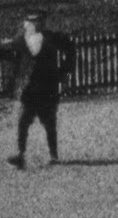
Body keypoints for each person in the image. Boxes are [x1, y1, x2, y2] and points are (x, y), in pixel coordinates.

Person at [8, 9, 76, 169]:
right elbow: (15, 65)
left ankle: (54, 156)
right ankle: (20, 154)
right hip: (29, 90)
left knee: (49, 122)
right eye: (30, 22)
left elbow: (70, 50)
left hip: (48, 87)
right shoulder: (20, 41)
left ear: (43, 22)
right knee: (23, 121)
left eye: (37, 21)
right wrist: (16, 83)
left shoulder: (52, 38)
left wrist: (64, 73)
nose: (33, 25)